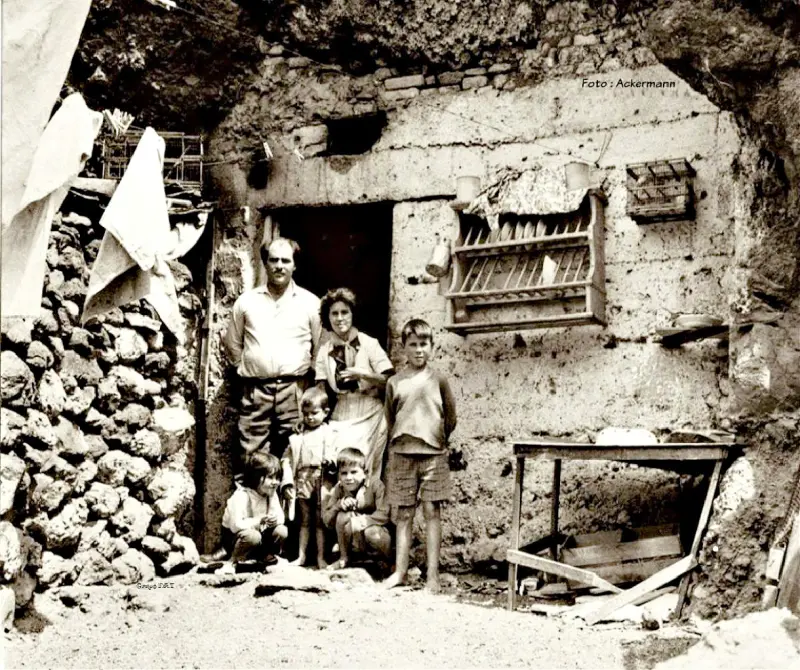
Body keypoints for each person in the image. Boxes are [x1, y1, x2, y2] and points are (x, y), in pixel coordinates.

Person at [223, 237, 322, 473]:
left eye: (285, 261)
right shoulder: (246, 302)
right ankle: (253, 510)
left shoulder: (310, 304)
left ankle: (287, 511)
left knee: (295, 454)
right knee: (251, 457)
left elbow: (320, 350)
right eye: (273, 260)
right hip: (256, 391)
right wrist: (247, 369)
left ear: (294, 265)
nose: (279, 266)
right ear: (264, 264)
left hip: (295, 391)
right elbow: (232, 344)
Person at [382, 319, 457, 593]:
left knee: (431, 511)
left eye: (423, 344)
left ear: (432, 347)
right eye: (412, 345)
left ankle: (433, 576)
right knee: (403, 514)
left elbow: (450, 418)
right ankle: (400, 572)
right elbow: (390, 418)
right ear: (403, 348)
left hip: (433, 456)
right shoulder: (394, 382)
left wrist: (436, 440)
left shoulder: (439, 380)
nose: (418, 350)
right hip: (402, 454)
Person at [315, 288, 394, 484]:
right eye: (334, 313)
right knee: (335, 464)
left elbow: (391, 381)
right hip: (341, 412)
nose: (340, 318)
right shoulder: (325, 351)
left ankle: (364, 512)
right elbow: (320, 390)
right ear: (327, 317)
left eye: (345, 312)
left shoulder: (369, 343)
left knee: (364, 470)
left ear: (352, 314)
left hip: (370, 412)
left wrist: (363, 374)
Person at [280, 386, 340, 569]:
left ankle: (321, 557)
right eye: (306, 414)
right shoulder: (297, 436)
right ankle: (302, 556)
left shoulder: (331, 434)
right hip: (303, 479)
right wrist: (288, 482)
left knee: (321, 520)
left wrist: (333, 461)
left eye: (314, 413)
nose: (310, 418)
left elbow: (339, 454)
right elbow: (286, 460)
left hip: (323, 480)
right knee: (305, 520)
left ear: (326, 412)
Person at [216, 452, 288, 575]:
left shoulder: (271, 494)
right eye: (270, 477)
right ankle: (232, 561)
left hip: (260, 537)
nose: (275, 482)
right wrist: (258, 520)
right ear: (256, 477)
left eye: (277, 478)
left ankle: (268, 557)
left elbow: (281, 517)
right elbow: (235, 526)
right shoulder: (241, 496)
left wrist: (274, 520)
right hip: (237, 539)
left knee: (281, 530)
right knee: (253, 536)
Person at [322, 447, 391, 570]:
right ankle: (344, 558)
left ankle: (383, 561)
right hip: (353, 538)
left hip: (374, 535)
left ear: (365, 472)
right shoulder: (339, 488)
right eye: (344, 473)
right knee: (342, 515)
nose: (348, 477)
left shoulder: (376, 485)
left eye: (354, 472)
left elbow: (384, 513)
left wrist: (360, 521)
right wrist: (338, 505)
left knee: (372, 533)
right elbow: (327, 520)